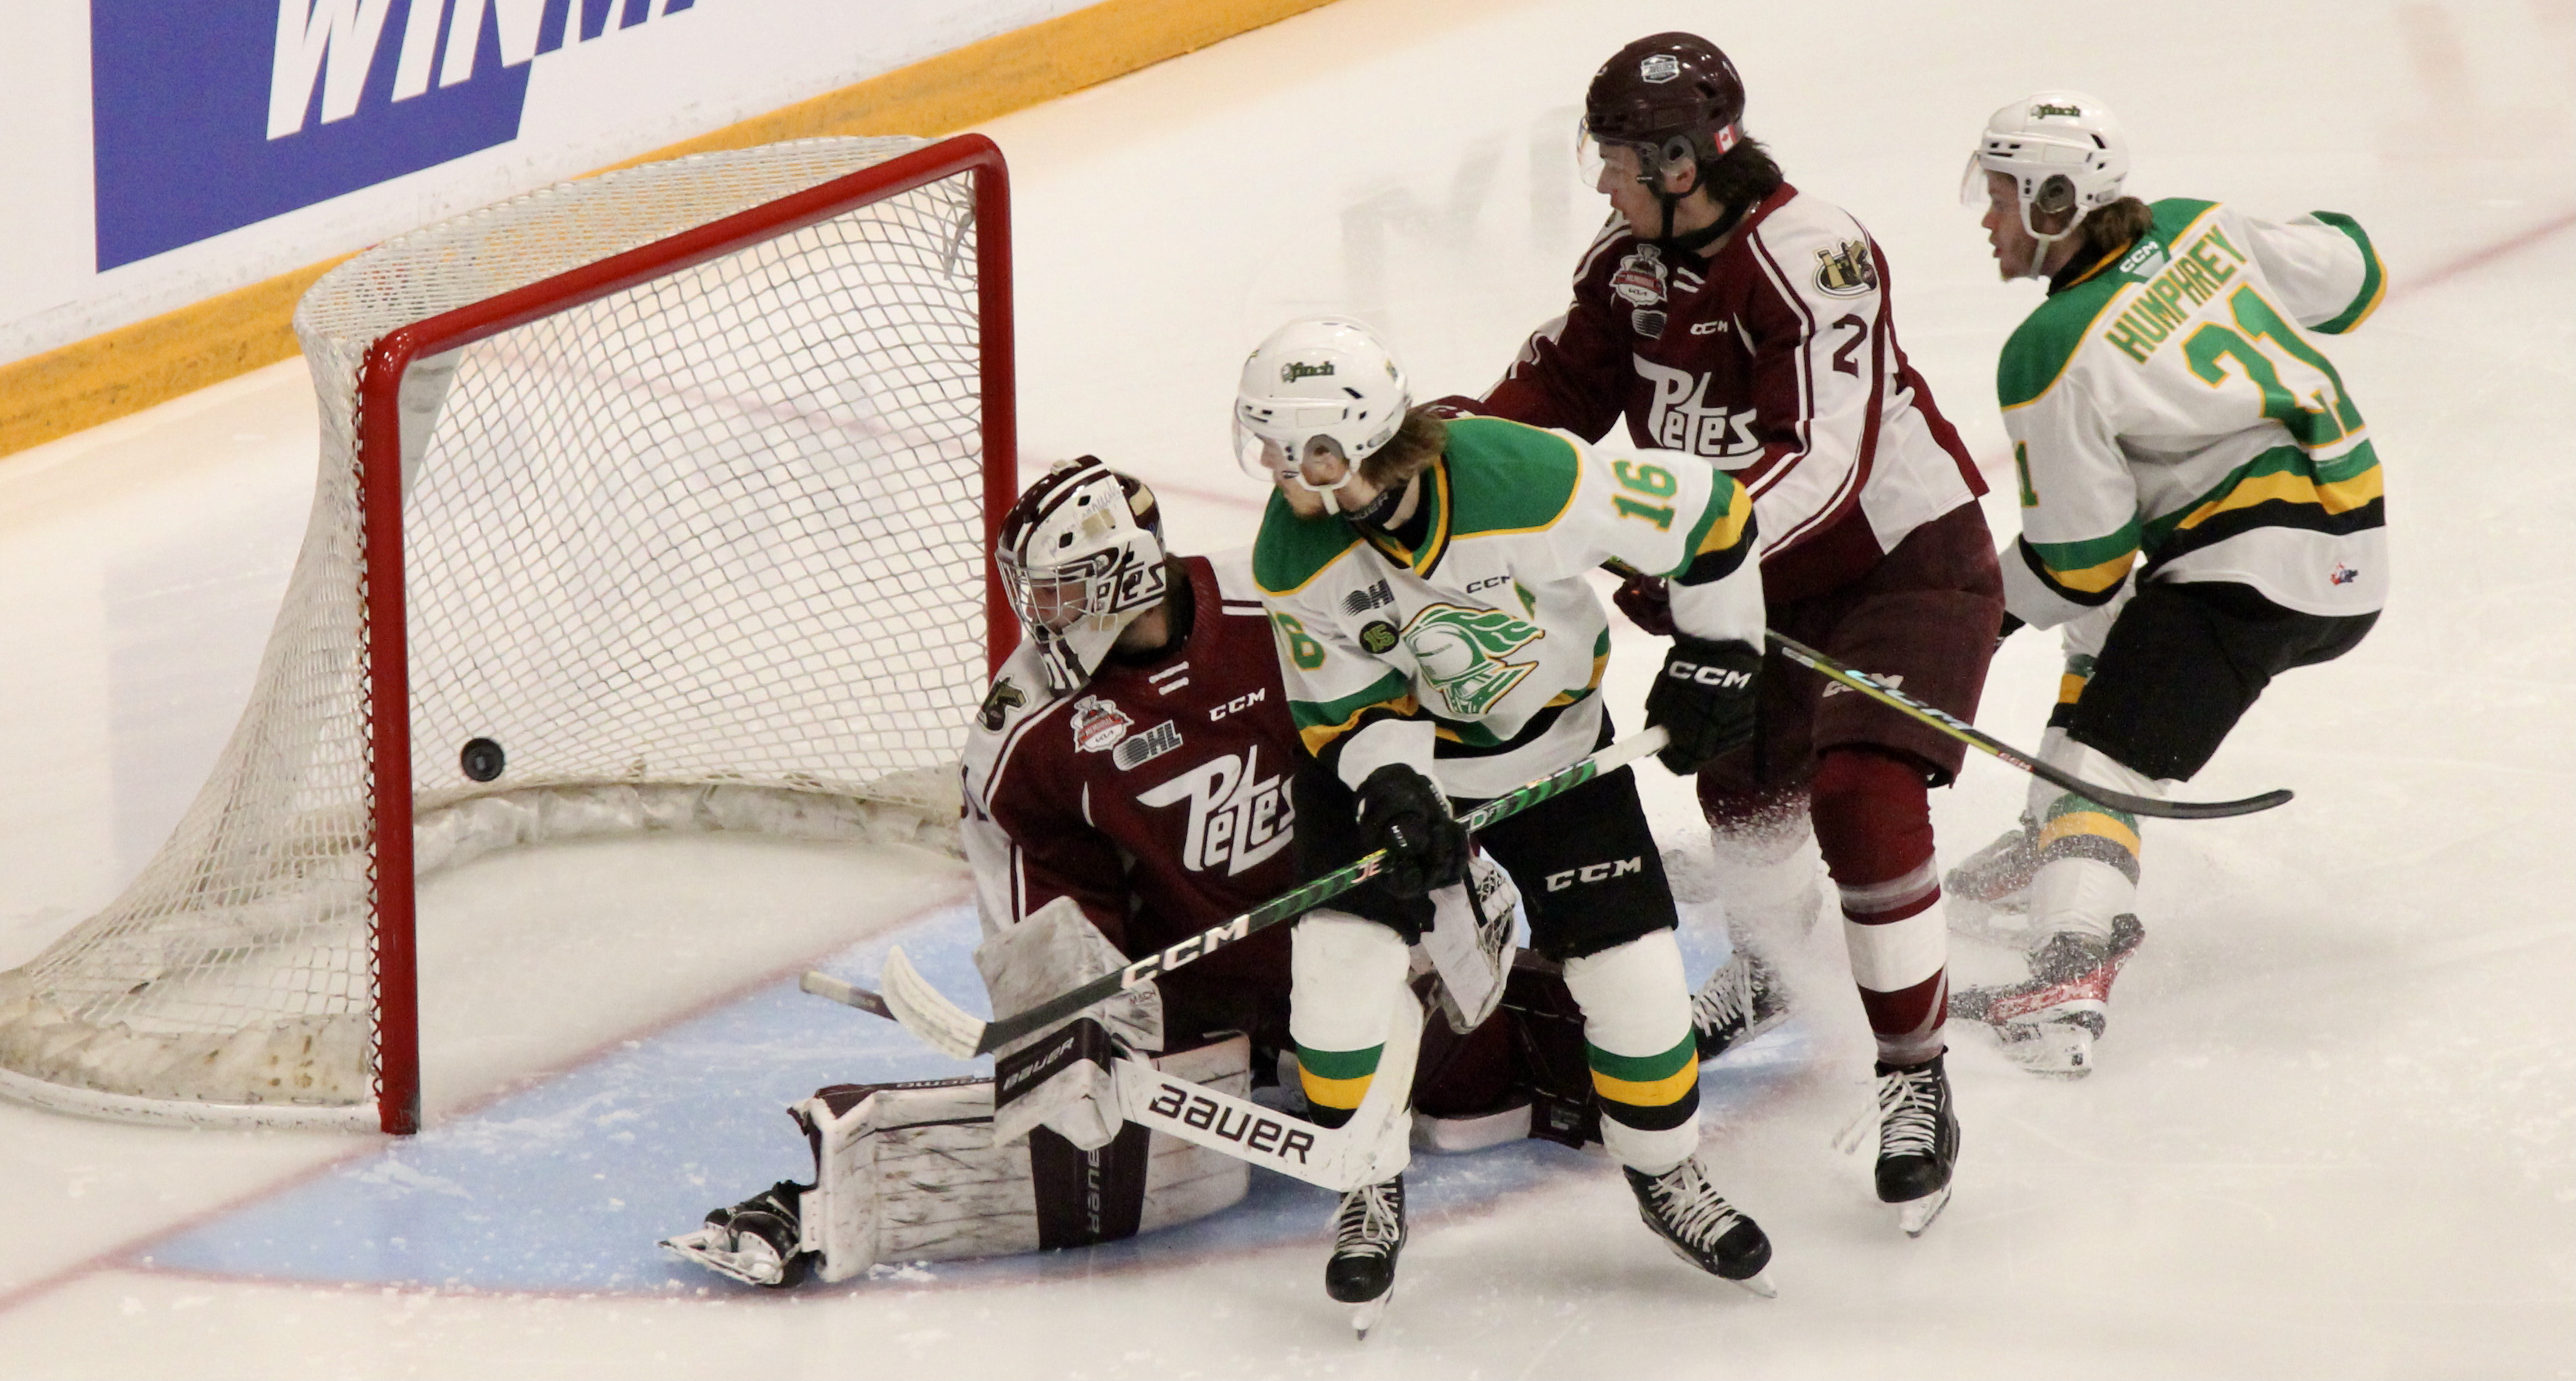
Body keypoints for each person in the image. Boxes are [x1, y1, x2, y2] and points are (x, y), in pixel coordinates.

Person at [662, 458, 1597, 1288]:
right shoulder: (1026, 729)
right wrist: (1074, 1030)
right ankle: (818, 1206)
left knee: (1477, 1109)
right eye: (1035, 595)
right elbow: (1047, 905)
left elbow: (1440, 711)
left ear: (1120, 573)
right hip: (1199, 1004)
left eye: (1059, 593)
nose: (1039, 618)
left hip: (1372, 938)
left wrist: (1452, 852)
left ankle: (1592, 1030)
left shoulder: (1285, 600)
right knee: (1092, 1139)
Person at [1459, 33, 1995, 1232]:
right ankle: (1770, 965)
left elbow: (1826, 461)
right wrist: (1455, 462)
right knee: (1742, 792)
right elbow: (1554, 393)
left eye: (1612, 160)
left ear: (1674, 160)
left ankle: (1914, 1077)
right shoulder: (1630, 260)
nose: (1599, 183)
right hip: (1747, 566)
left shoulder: (1816, 254)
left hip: (1900, 560)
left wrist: (1688, 548)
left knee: (1859, 788)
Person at [1239, 314, 1779, 1328]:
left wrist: (1721, 649)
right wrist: (1394, 789)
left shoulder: (1519, 479)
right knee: (1337, 992)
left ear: (1345, 446)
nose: (1274, 469)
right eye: (1264, 445)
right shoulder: (1293, 550)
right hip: (1391, 777)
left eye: (1291, 449)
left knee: (1639, 992)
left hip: (1557, 752)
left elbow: (1713, 511)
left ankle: (1664, 1175)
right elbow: (1347, 712)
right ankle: (1366, 1179)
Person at [1942, 93, 2388, 1074]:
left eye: (2005, 196)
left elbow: (2077, 558)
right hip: (2351, 555)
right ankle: (2045, 846)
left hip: (2249, 575)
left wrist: (1965, 611)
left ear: (2058, 202)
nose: (1987, 217)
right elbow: (2356, 275)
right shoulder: (2200, 226)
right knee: (2107, 624)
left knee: (2106, 762)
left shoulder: (2051, 348)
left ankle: (2065, 978)